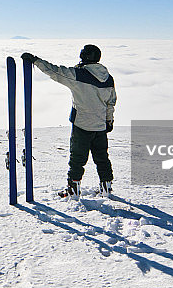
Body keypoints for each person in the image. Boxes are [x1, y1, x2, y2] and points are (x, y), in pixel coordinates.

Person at [21, 44, 116, 197]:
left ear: (85, 57)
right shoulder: (108, 78)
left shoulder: (78, 75)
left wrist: (36, 61)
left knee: (77, 159)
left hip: (82, 125)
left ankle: (73, 190)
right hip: (100, 127)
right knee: (102, 158)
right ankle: (106, 189)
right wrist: (108, 121)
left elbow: (55, 71)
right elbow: (110, 103)